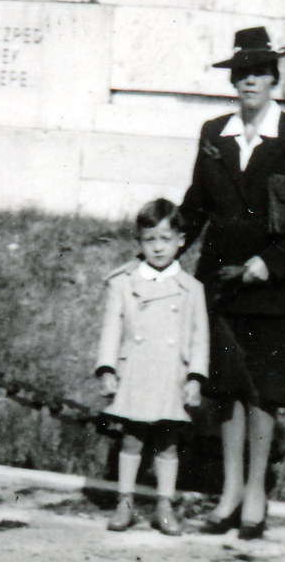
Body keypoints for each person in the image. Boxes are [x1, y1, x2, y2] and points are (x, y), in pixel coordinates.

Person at [179, 27, 285, 541]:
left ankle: (257, 493)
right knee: (224, 389)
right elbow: (195, 206)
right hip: (219, 283)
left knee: (264, 391)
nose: (250, 81)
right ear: (233, 79)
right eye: (242, 72)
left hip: (274, 286)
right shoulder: (212, 132)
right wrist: (157, 253)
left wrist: (270, 263)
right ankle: (230, 490)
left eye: (260, 72)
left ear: (273, 79)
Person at [94, 198, 210, 534]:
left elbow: (199, 338)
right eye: (150, 240)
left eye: (165, 239)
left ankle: (164, 505)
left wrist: (195, 378)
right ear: (139, 242)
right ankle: (125, 503)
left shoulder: (191, 289)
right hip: (135, 371)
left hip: (171, 374)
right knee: (131, 438)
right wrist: (107, 369)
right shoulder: (123, 283)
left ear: (181, 241)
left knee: (168, 441)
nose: (158, 248)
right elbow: (111, 329)